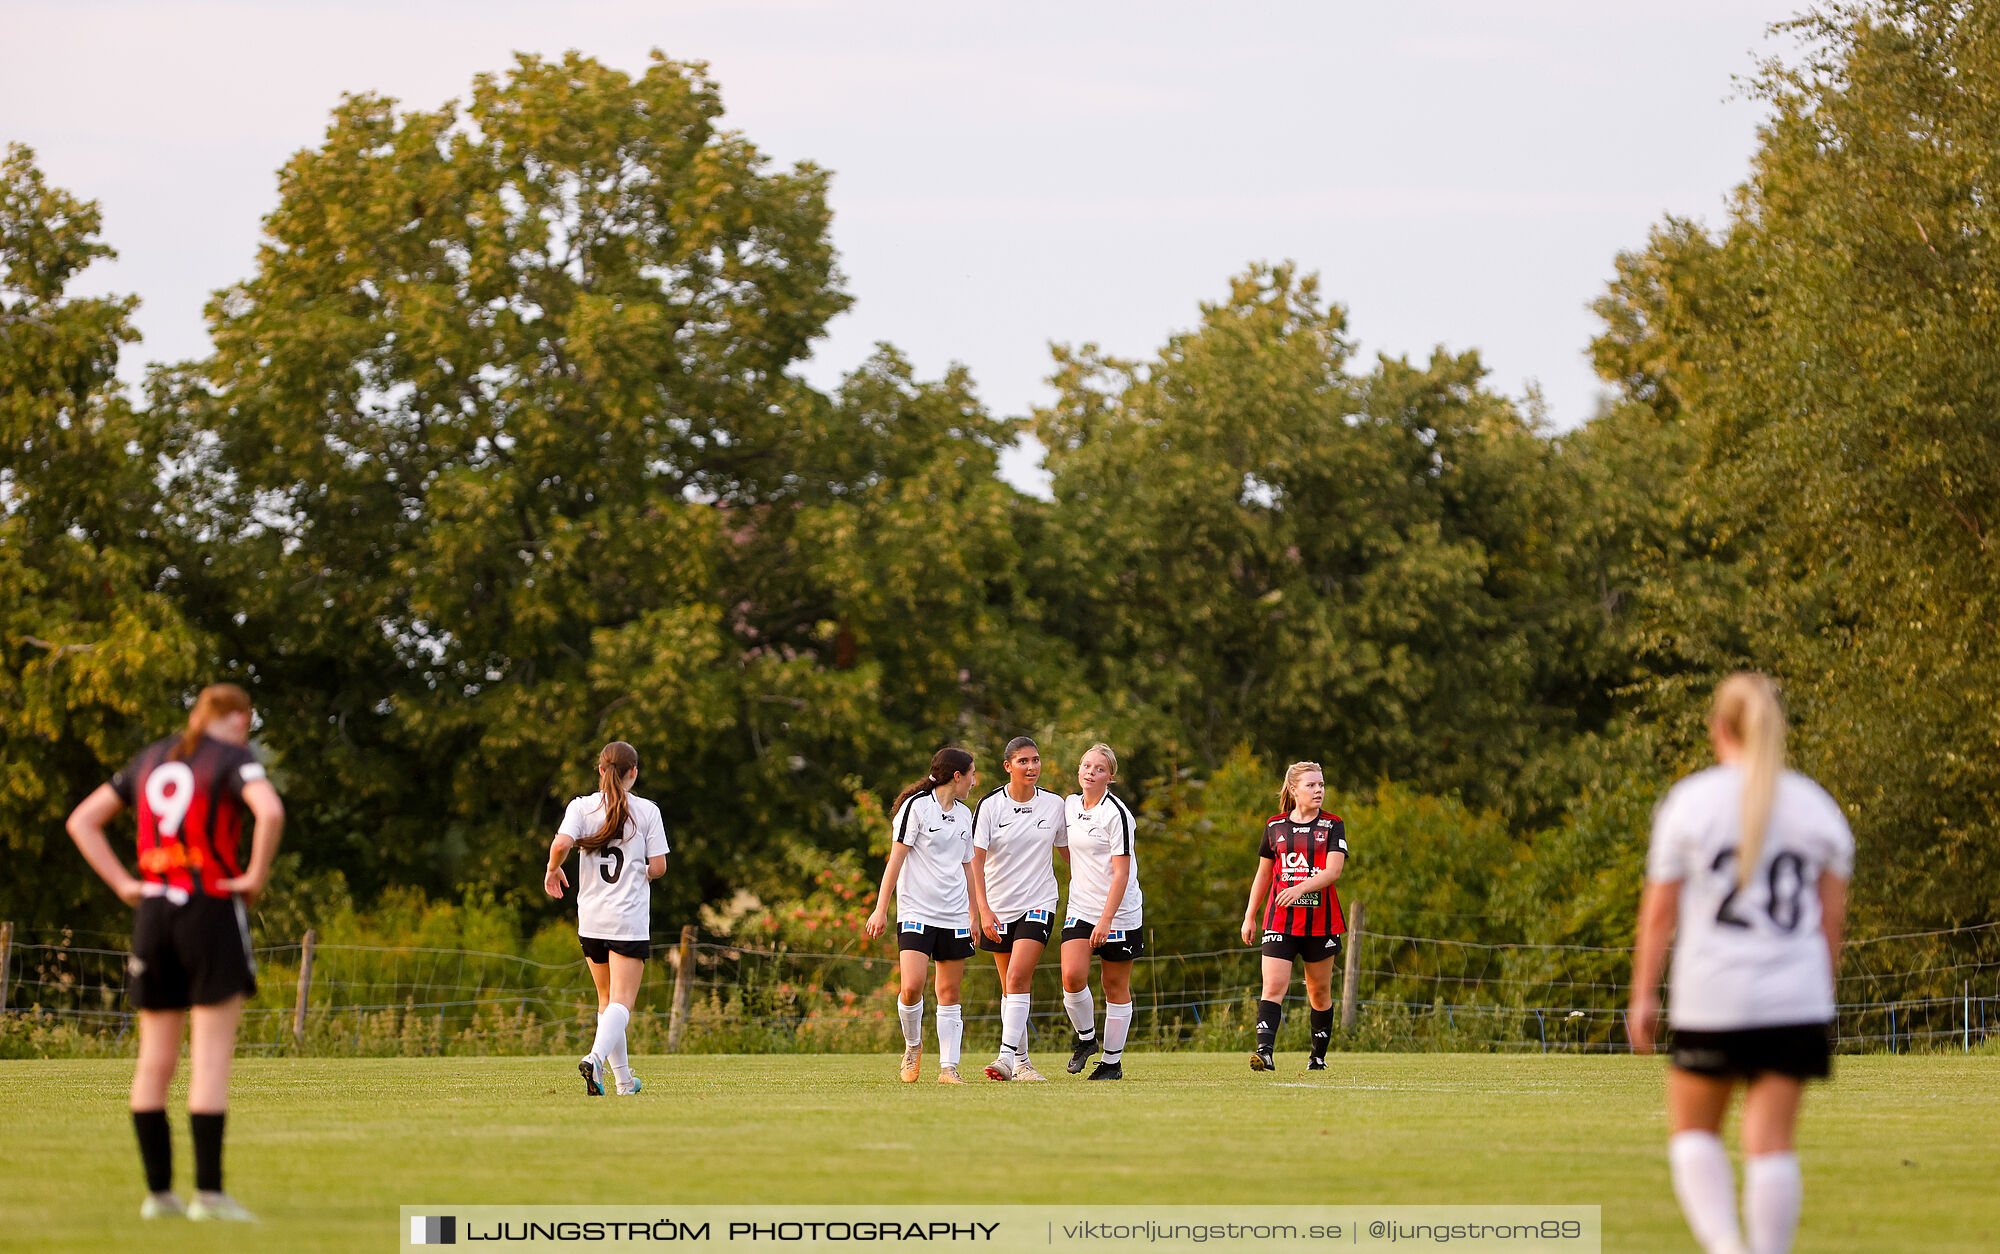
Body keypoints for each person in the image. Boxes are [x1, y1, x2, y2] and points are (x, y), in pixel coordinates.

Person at [1629, 673, 1852, 1254]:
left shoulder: (1690, 803)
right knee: (1771, 1142)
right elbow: (1830, 923)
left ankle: (1728, 1247)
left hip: (1713, 995)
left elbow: (1658, 915)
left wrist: (1643, 996)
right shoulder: (1818, 808)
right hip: (1795, 997)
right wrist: (1817, 996)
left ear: (1718, 728)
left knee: (1695, 1133)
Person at [64, 683, 285, 1222]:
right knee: (208, 1059)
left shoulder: (151, 757)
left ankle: (158, 1195)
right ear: (236, 718)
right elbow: (270, 811)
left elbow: (82, 820)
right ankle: (208, 1196)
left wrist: (122, 883)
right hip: (208, 906)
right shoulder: (233, 757)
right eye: (246, 721)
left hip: (154, 913)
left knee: (154, 1060)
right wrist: (254, 876)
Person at [543, 741, 668, 1097]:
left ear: (600, 770)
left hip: (592, 920)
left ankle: (625, 1083)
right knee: (622, 1003)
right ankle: (595, 1058)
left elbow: (561, 844)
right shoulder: (646, 811)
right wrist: (640, 870)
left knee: (606, 1002)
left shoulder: (581, 807)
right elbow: (658, 867)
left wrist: (552, 870)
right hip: (626, 919)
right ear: (634, 773)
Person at [864, 748, 979, 1084]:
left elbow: (968, 866)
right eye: (971, 774)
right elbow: (895, 860)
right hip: (917, 911)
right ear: (957, 776)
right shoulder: (916, 808)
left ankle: (948, 1068)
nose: (974, 781)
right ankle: (913, 1046)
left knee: (949, 993)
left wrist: (973, 913)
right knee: (912, 987)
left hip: (955, 915)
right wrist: (880, 908)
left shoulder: (963, 815)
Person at [970, 736, 1069, 1082]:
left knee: (1018, 977)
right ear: (1008, 766)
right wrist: (981, 910)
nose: (1032, 767)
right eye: (1024, 761)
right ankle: (1024, 1064)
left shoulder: (1055, 805)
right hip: (997, 908)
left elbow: (1071, 855)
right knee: (1010, 988)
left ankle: (1004, 1058)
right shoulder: (990, 805)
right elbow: (975, 862)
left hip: (1040, 901)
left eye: (1036, 760)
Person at [1239, 760, 1348, 1073]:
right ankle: (1265, 1053)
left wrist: (1300, 888)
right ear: (1293, 790)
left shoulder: (1332, 824)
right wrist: (1250, 915)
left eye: (1321, 785)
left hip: (1321, 923)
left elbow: (1334, 871)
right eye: (1311, 785)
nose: (1318, 791)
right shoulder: (1275, 826)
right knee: (1273, 986)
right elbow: (1263, 874)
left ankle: (1317, 1057)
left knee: (1319, 991)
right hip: (1279, 921)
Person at [1058, 742, 1142, 1080]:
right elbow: (1068, 852)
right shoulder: (1068, 805)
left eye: (1099, 768)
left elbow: (1121, 872)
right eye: (1086, 765)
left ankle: (1111, 1062)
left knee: (1113, 985)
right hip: (1080, 907)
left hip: (1119, 913)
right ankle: (1086, 1039)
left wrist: (1107, 920)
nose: (1090, 772)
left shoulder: (1117, 814)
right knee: (1072, 976)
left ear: (1111, 776)